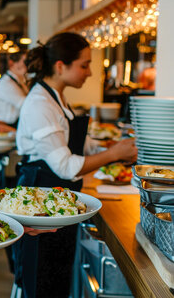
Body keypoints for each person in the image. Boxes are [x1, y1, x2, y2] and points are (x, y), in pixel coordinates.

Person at [14, 32, 138, 298]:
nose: (90, 72)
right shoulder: (39, 103)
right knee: (41, 281)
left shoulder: (56, 96)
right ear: (60, 66)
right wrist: (114, 153)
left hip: (56, 201)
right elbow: (65, 166)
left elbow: (71, 142)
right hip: (39, 205)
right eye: (84, 64)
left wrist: (105, 147)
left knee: (57, 276)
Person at [0, 52, 28, 128]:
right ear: (12, 63)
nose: (27, 65)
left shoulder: (18, 81)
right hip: (5, 128)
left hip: (14, 125)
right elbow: (25, 104)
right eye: (24, 61)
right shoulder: (6, 83)